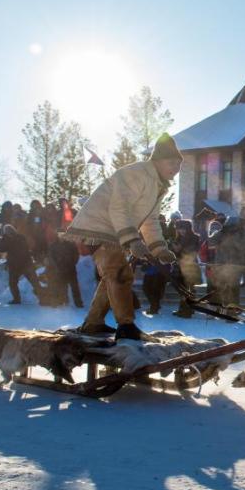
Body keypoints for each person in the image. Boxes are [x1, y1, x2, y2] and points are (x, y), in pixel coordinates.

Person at [64, 133, 180, 340]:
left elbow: (150, 220)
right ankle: (126, 326)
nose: (176, 169)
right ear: (158, 161)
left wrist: (159, 248)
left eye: (178, 164)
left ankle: (93, 323)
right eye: (172, 163)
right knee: (120, 273)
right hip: (98, 227)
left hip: (113, 229)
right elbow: (119, 207)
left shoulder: (157, 185)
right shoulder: (138, 174)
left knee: (113, 274)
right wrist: (132, 240)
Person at [0, 224, 42, 304]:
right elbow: (0, 249)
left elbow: (26, 247)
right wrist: (4, 239)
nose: (8, 232)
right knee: (12, 283)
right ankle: (16, 299)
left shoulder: (20, 237)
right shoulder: (5, 239)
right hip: (14, 265)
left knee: (34, 282)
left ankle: (43, 298)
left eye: (9, 230)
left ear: (13, 230)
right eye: (6, 231)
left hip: (25, 263)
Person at [170, 219, 201, 318]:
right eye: (179, 229)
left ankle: (186, 311)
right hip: (180, 267)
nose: (181, 231)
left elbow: (190, 252)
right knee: (183, 289)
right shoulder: (178, 239)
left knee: (187, 289)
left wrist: (178, 247)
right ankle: (186, 309)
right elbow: (176, 253)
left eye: (183, 229)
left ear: (188, 228)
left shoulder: (194, 238)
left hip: (190, 267)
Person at [47, 232, 83, 307]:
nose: (61, 236)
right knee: (60, 286)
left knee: (75, 287)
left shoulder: (71, 244)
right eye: (60, 234)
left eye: (63, 234)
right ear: (57, 235)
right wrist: (56, 266)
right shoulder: (53, 245)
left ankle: (78, 303)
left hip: (71, 269)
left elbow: (76, 254)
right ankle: (59, 302)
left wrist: (73, 263)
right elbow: (51, 257)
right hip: (59, 270)